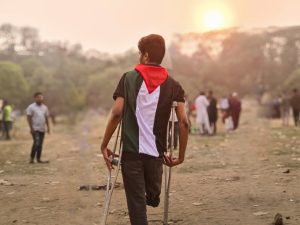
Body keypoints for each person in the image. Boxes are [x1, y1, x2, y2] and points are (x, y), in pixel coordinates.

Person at [100, 34, 189, 225]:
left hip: (131, 154)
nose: (139, 57)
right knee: (152, 194)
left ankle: (147, 194)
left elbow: (116, 113)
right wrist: (180, 156)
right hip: (156, 154)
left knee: (137, 205)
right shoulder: (173, 84)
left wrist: (104, 145)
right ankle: (152, 193)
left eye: (140, 53)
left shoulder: (128, 78)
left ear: (146, 56)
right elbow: (184, 122)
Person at [26, 92, 50, 164]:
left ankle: (39, 159)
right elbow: (28, 117)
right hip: (35, 128)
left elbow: (46, 118)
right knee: (36, 143)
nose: (40, 98)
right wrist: (31, 128)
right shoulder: (31, 107)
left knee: (40, 144)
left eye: (41, 97)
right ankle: (32, 158)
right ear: (35, 98)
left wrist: (48, 127)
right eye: (38, 97)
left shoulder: (45, 107)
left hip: (42, 128)